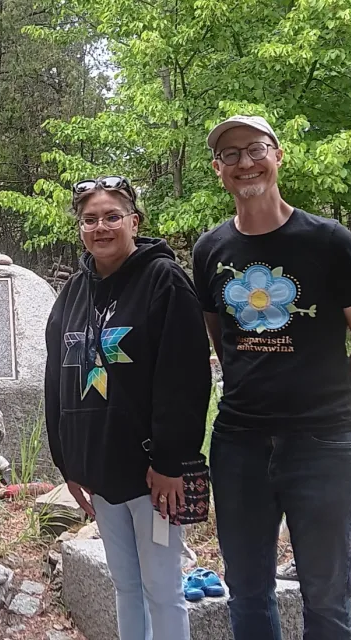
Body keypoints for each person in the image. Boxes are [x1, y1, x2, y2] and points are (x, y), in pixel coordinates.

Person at [193, 115, 351, 640]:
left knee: (326, 593)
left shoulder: (328, 241)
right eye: (230, 155)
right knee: (248, 588)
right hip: (239, 444)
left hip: (322, 444)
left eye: (255, 149)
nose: (245, 163)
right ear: (219, 170)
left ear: (278, 156)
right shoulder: (209, 250)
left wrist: (332, 408)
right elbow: (223, 340)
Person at [45, 175, 211, 640]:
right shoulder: (74, 293)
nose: (100, 227)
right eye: (89, 219)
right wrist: (67, 461)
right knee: (125, 586)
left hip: (152, 474)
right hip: (99, 470)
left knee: (162, 588)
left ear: (134, 221)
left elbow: (184, 378)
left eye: (111, 217)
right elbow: (57, 379)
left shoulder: (165, 281)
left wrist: (170, 461)